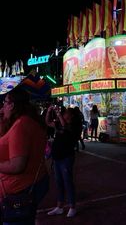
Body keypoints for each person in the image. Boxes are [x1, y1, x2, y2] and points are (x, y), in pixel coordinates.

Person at [0, 86, 49, 225]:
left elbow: (17, 165)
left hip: (20, 190)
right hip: (26, 185)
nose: (2, 107)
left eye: (5, 102)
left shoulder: (21, 125)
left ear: (12, 105)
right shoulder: (24, 122)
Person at [45, 105, 77, 218]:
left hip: (66, 158)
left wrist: (58, 114)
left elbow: (65, 125)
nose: (64, 114)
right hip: (57, 158)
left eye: (66, 113)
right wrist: (49, 111)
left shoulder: (73, 125)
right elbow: (48, 122)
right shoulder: (59, 124)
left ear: (71, 115)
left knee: (67, 182)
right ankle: (59, 206)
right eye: (64, 113)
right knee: (59, 182)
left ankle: (72, 206)